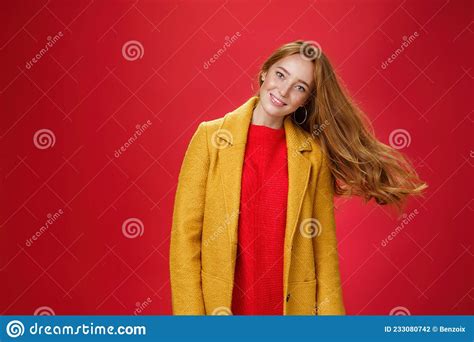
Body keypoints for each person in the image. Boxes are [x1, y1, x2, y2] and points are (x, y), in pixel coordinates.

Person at [169, 40, 427, 316]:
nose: (284, 90)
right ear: (264, 72)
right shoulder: (210, 138)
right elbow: (185, 239)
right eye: (280, 75)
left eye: (300, 87)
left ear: (306, 100)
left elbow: (323, 251)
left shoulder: (312, 154)